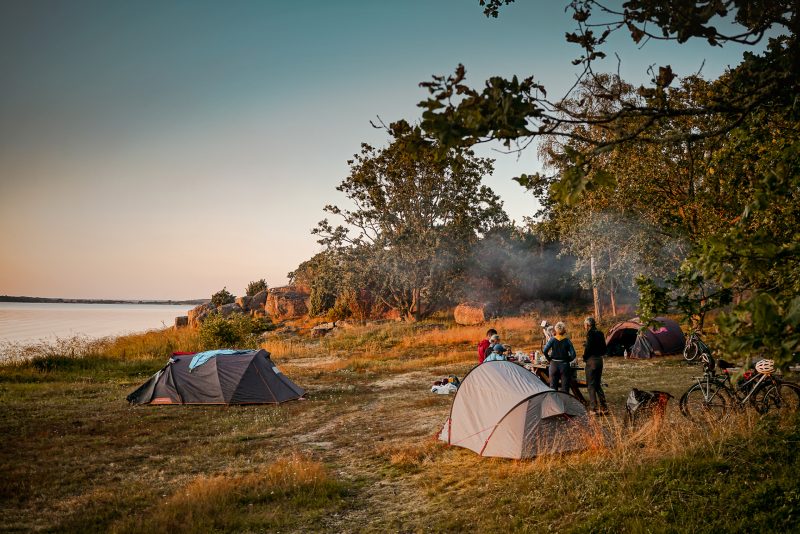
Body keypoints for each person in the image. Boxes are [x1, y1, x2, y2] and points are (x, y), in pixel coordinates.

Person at [583, 316, 608, 414]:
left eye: (585, 324)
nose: (584, 326)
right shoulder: (600, 333)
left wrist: (585, 357)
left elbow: (589, 348)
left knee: (591, 385)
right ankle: (604, 407)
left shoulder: (590, 334)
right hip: (599, 360)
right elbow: (604, 348)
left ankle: (593, 409)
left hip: (591, 361)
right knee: (598, 384)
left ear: (588, 325)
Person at [542, 321, 576, 393]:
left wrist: (549, 359)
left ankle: (554, 403)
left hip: (553, 365)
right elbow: (573, 355)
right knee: (565, 388)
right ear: (564, 330)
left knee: (553, 388)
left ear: (556, 330)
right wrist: (567, 360)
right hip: (564, 366)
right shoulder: (567, 341)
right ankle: (564, 403)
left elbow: (545, 351)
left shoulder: (552, 340)